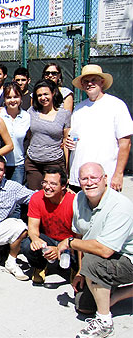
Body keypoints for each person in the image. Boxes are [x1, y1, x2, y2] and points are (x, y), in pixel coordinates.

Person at [57, 162, 133, 338]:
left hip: (128, 258)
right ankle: (110, 293)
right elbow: (80, 236)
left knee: (93, 262)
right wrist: (81, 273)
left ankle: (105, 322)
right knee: (83, 306)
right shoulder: (79, 199)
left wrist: (68, 243)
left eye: (94, 177)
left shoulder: (120, 206)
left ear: (105, 179)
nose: (89, 182)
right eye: (84, 178)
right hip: (106, 257)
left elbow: (104, 250)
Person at [65, 64, 133, 192]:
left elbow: (125, 144)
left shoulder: (117, 105)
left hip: (105, 178)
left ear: (102, 82)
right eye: (86, 81)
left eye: (93, 80)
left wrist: (118, 174)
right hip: (79, 179)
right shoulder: (78, 108)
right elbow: (73, 138)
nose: (89, 84)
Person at [20, 168, 75, 285]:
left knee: (82, 249)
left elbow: (81, 235)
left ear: (64, 186)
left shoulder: (74, 201)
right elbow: (33, 228)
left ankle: (76, 269)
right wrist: (36, 240)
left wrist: (60, 248)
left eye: (53, 184)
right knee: (27, 245)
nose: (47, 187)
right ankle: (40, 266)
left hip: (70, 242)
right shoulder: (37, 198)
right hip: (49, 239)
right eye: (45, 182)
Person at [25, 79, 70, 190]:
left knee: (53, 195)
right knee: (34, 196)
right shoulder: (31, 112)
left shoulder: (64, 115)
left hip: (54, 162)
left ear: (53, 93)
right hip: (33, 163)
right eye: (39, 95)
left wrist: (67, 168)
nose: (43, 98)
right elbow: (30, 135)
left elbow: (66, 142)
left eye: (46, 94)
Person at [0, 82, 30, 184]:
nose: (12, 100)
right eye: (9, 97)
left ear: (21, 97)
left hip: (18, 164)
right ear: (4, 99)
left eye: (16, 96)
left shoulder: (27, 117)